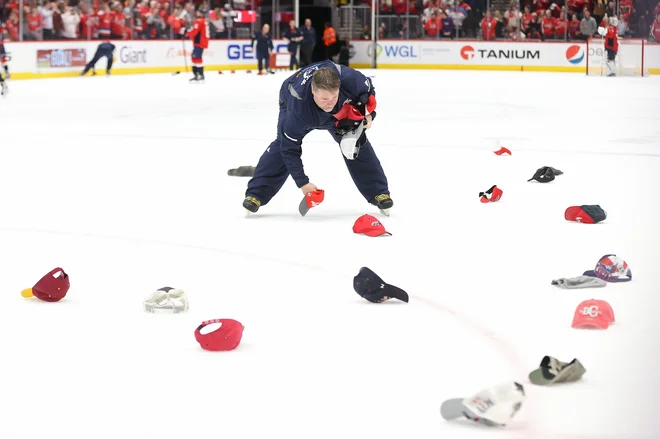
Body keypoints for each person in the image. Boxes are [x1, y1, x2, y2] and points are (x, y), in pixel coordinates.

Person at [242, 61, 393, 216]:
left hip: (340, 111)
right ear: (314, 90)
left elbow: (369, 93)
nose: (330, 104)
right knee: (282, 145)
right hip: (294, 99)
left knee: (355, 143)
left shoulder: (352, 80)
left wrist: (369, 114)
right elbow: (289, 150)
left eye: (334, 97)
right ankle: (256, 194)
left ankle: (379, 193)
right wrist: (303, 183)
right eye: (325, 99)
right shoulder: (298, 110)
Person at [181, 7, 209, 83]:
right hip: (202, 42)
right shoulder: (204, 21)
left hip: (199, 42)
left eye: (198, 12)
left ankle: (199, 75)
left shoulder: (199, 21)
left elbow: (194, 32)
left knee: (196, 58)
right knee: (195, 58)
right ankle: (198, 75)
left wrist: (185, 32)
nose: (197, 13)